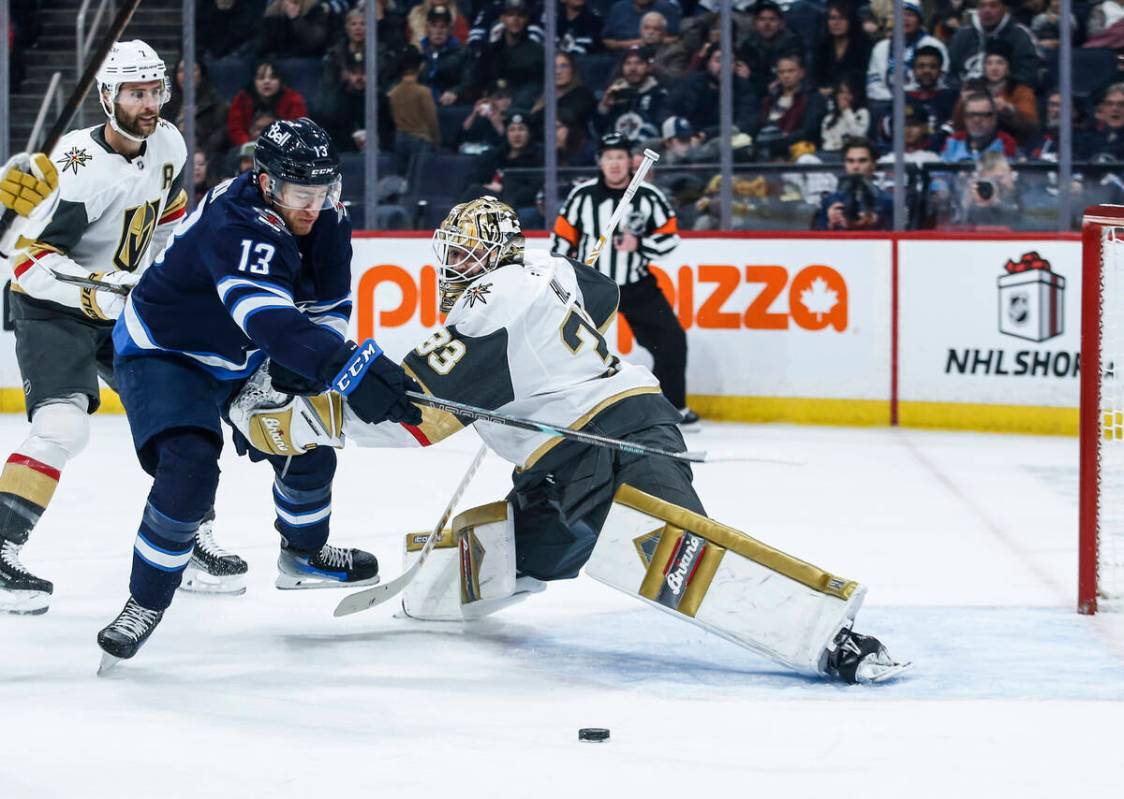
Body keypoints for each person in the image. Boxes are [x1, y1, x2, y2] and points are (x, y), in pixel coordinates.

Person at [226, 195, 909, 685]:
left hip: (613, 440)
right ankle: (430, 591)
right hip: (562, 462)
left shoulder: (489, 302)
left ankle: (831, 636)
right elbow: (604, 293)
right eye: (451, 254)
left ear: (493, 258)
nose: (454, 268)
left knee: (676, 552)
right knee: (523, 548)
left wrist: (300, 422)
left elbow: (417, 415)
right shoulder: (548, 272)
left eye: (466, 255)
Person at [95, 118, 423, 667]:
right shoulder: (237, 221)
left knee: (309, 431)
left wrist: (319, 366)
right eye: (301, 192)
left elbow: (329, 305)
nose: (313, 205)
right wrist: (346, 368)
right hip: (167, 353)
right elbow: (266, 317)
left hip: (243, 352)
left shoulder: (326, 215)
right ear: (266, 182)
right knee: (191, 468)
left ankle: (304, 554)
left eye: (324, 190)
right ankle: (144, 602)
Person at [0, 41, 246, 615]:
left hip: (120, 307)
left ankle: (184, 536)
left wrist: (167, 275)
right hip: (52, 308)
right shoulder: (73, 170)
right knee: (63, 428)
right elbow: (28, 262)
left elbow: (166, 219)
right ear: (107, 96)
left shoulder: (169, 143)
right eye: (135, 93)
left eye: (155, 91)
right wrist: (104, 287)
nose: (148, 104)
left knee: (181, 417)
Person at [550, 133, 696, 428]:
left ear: (631, 161)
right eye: (608, 157)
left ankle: (672, 407)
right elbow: (561, 241)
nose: (614, 164)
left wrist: (638, 245)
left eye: (620, 157)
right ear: (600, 162)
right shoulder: (582, 196)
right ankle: (561, 408)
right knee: (566, 347)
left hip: (636, 285)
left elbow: (670, 239)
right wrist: (566, 273)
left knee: (671, 341)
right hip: (591, 286)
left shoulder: (649, 196)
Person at [951, 39, 1038, 146]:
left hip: (1014, 144)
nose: (994, 68)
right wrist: (963, 104)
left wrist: (1009, 109)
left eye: (1000, 63)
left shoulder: (1020, 90)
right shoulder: (972, 88)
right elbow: (957, 126)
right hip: (976, 143)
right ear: (984, 67)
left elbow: (1031, 125)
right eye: (989, 63)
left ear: (1008, 67)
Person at [865, 1, 948, 104]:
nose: (905, 19)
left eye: (910, 15)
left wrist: (911, 98)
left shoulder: (934, 45)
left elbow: (942, 81)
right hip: (887, 103)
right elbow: (874, 85)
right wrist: (895, 102)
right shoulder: (881, 48)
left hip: (925, 101)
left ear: (919, 20)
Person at [468, 0, 545, 109]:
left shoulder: (537, 52)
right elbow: (476, 82)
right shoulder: (490, 51)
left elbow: (536, 89)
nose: (515, 20)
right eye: (510, 15)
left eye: (520, 15)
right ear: (501, 18)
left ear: (527, 19)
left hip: (522, 110)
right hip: (490, 106)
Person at [948, 0, 1039, 90]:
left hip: (1006, 95)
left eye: (993, 6)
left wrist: (995, 88)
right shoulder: (962, 35)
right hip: (964, 94)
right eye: (982, 6)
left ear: (1005, 9)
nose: (987, 10)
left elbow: (1029, 75)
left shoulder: (1020, 35)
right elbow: (950, 73)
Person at [812, 137, 892, 230]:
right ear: (845, 164)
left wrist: (876, 221)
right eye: (850, 161)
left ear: (873, 165)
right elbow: (816, 238)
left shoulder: (886, 202)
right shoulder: (830, 201)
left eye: (862, 161)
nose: (856, 167)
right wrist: (830, 224)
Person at [226, 60, 309, 147]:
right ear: (254, 81)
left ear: (280, 80)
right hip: (248, 146)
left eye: (272, 77)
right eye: (261, 78)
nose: (266, 82)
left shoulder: (293, 100)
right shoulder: (242, 99)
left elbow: (298, 130)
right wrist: (248, 144)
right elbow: (235, 129)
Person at [162, 58, 229, 161]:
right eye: (181, 71)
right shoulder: (166, 103)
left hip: (206, 160)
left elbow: (220, 135)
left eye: (192, 70)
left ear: (201, 74)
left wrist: (200, 153)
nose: (186, 74)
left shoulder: (214, 103)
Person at [387, 47, 441, 175]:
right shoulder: (423, 92)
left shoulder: (393, 93)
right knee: (419, 181)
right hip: (420, 141)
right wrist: (437, 141)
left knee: (401, 180)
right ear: (420, 66)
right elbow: (432, 120)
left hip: (399, 141)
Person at [595, 46, 667, 140]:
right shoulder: (614, 92)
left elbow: (661, 131)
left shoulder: (659, 94)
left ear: (648, 67)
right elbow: (597, 130)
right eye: (628, 63)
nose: (633, 68)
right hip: (616, 149)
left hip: (647, 149)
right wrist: (605, 106)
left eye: (639, 63)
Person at [736, 0, 803, 97]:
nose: (767, 24)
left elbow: (786, 77)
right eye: (762, 19)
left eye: (772, 19)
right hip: (753, 95)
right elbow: (743, 75)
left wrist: (753, 78)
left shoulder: (792, 43)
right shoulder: (748, 45)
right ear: (755, 23)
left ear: (781, 23)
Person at [813, 0, 872, 95]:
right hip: (825, 97)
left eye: (842, 18)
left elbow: (862, 77)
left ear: (851, 20)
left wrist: (836, 89)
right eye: (832, 18)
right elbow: (816, 77)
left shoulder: (864, 45)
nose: (836, 23)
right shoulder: (823, 46)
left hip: (856, 96)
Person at [940, 92, 1019, 162]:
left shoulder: (1006, 142)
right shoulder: (953, 141)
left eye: (983, 115)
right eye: (971, 115)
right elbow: (940, 176)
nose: (976, 120)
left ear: (994, 118)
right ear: (964, 118)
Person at [258, 0, 333, 59]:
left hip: (307, 59)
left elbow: (314, 41)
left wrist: (296, 18)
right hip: (278, 60)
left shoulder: (316, 7)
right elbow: (263, 43)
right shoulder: (274, 10)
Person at [602, 0, 682, 50]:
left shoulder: (667, 7)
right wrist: (636, 43)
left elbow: (675, 38)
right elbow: (607, 40)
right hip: (621, 56)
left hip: (657, 55)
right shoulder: (618, 8)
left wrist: (652, 42)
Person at [820, 76, 870, 153]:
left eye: (849, 93)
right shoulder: (829, 118)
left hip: (854, 154)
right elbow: (826, 143)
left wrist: (846, 111)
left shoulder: (863, 113)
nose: (844, 96)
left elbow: (859, 136)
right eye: (841, 92)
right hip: (832, 156)